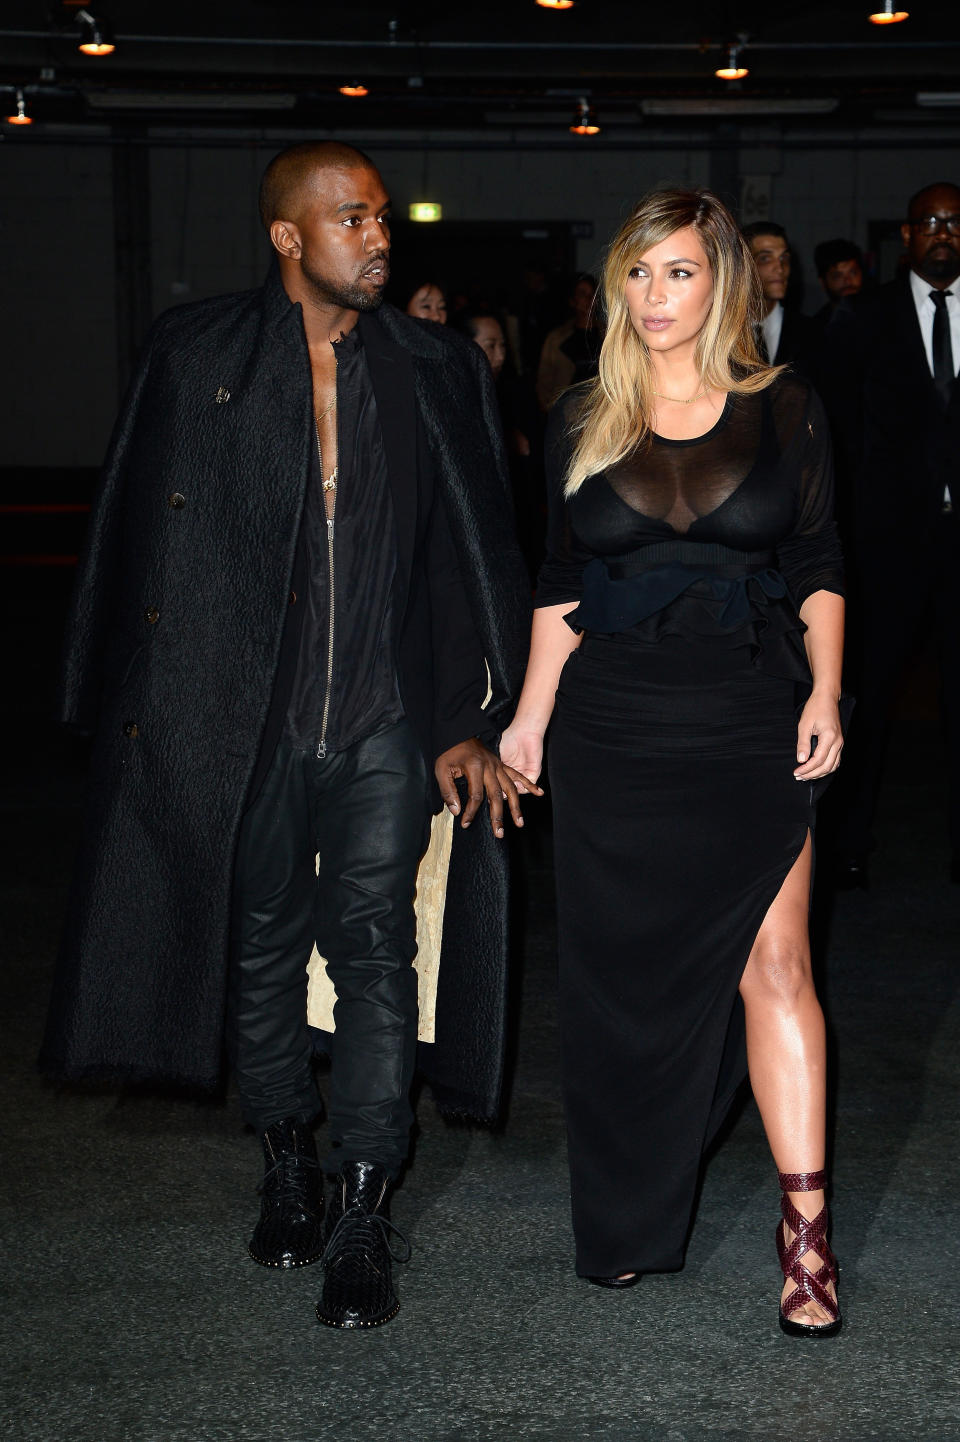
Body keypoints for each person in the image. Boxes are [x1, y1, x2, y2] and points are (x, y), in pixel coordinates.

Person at [40, 141, 535, 1330]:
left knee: (375, 953)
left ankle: (365, 1199)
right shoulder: (197, 354)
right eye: (351, 218)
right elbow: (137, 548)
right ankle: (286, 1160)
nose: (378, 237)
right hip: (243, 723)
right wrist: (126, 717)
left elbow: (471, 555)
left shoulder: (434, 367)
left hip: (383, 719)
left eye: (380, 218)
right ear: (287, 236)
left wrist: (470, 721)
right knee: (258, 951)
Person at [500, 186, 846, 1337]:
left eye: (681, 272)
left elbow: (819, 562)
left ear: (724, 285)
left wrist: (829, 693)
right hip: (613, 731)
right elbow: (561, 578)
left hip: (752, 715)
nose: (656, 296)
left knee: (779, 965)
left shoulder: (785, 405)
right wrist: (529, 717)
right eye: (640, 274)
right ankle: (632, 1216)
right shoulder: (582, 411)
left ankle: (806, 1243)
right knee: (621, 990)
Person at [829, 182, 960, 886]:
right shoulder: (861, 319)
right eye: (930, 222)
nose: (943, 232)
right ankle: (850, 844)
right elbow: (840, 435)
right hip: (887, 544)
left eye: (954, 222)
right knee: (869, 699)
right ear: (906, 236)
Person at [742, 220, 816, 374]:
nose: (780, 268)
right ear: (743, 266)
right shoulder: (720, 333)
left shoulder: (811, 333)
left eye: (784, 258)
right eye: (765, 258)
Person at [535, 273, 603, 411]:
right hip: (567, 413)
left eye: (592, 294)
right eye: (583, 294)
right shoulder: (556, 338)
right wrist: (551, 409)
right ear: (572, 300)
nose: (589, 299)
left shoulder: (609, 335)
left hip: (601, 412)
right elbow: (544, 380)